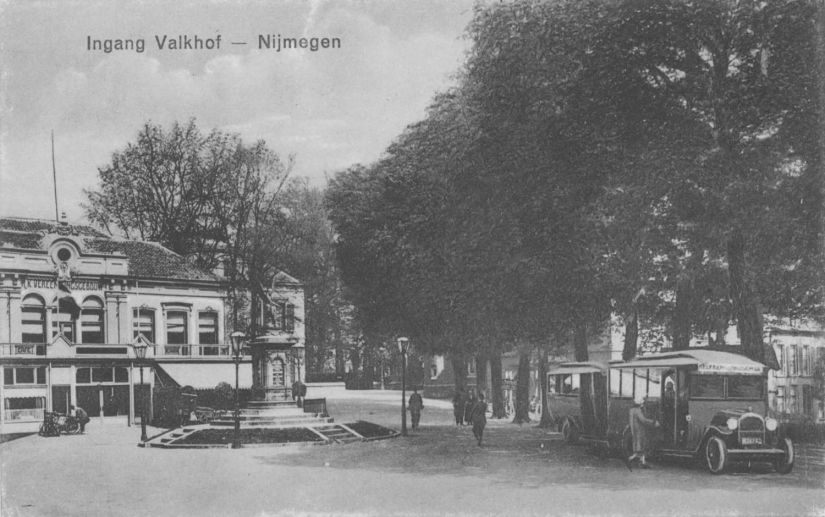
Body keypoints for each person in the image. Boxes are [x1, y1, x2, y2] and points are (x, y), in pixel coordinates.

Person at [627, 394, 659, 469]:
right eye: (642, 403)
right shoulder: (638, 411)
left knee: (639, 449)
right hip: (640, 431)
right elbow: (643, 420)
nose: (643, 404)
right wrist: (653, 422)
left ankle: (642, 461)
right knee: (642, 447)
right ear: (640, 403)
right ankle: (639, 461)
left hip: (634, 431)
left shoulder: (631, 410)